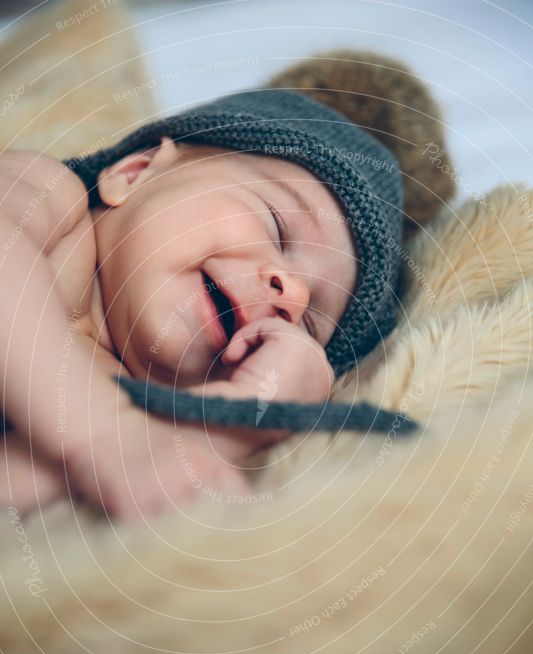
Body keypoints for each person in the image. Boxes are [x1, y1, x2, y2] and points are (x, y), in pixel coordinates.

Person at [0, 51, 453, 521]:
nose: (292, 294)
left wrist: (236, 421)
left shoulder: (132, 419)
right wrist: (101, 433)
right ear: (135, 172)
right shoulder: (48, 196)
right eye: (277, 226)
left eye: (310, 321)